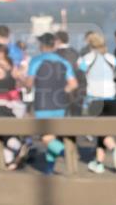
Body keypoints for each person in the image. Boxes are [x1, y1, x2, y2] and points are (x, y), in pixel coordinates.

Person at [24, 33, 78, 174]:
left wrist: (24, 82)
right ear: (54, 45)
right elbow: (73, 84)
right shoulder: (64, 62)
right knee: (52, 135)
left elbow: (29, 84)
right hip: (60, 104)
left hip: (43, 103)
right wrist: (61, 90)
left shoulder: (36, 61)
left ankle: (64, 151)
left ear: (41, 46)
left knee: (46, 137)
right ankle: (49, 169)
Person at [79, 32, 116, 174]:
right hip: (112, 100)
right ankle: (98, 163)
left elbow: (79, 72)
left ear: (89, 44)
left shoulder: (87, 59)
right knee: (104, 132)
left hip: (95, 100)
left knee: (98, 131)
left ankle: (114, 148)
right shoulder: (110, 58)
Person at [0, 44, 29, 169]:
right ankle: (10, 162)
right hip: (15, 104)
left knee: (3, 133)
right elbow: (21, 81)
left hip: (0, 104)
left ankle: (19, 147)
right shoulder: (12, 65)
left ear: (0, 53)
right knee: (10, 133)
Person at [55, 30, 84, 117]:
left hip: (59, 90)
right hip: (77, 91)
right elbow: (83, 69)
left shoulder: (54, 55)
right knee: (76, 119)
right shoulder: (76, 53)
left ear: (58, 40)